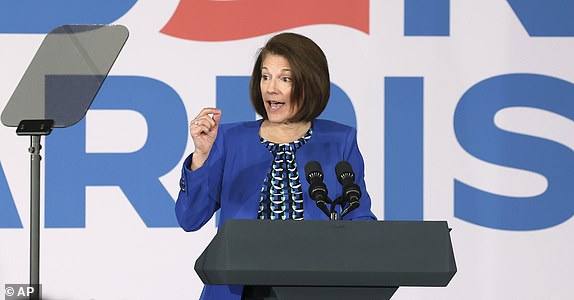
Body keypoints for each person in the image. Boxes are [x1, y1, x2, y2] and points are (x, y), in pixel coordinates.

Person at [175, 32, 377, 300]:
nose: (271, 88)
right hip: (240, 290)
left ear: (310, 83)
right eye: (265, 76)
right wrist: (201, 155)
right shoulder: (230, 139)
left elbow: (359, 218)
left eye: (285, 78)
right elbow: (190, 218)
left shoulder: (339, 140)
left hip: (313, 288)